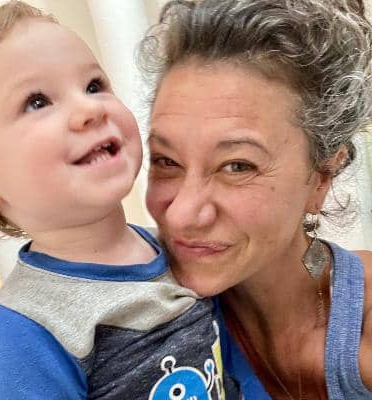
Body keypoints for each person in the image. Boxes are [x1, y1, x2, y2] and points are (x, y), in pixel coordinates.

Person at [0, 2, 241, 399]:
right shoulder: (24, 328)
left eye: (94, 85)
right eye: (37, 101)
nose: (89, 109)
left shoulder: (178, 248)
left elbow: (235, 363)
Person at [139, 0, 372, 398]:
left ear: (321, 177)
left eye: (237, 166)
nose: (181, 215)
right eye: (167, 161)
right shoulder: (135, 310)